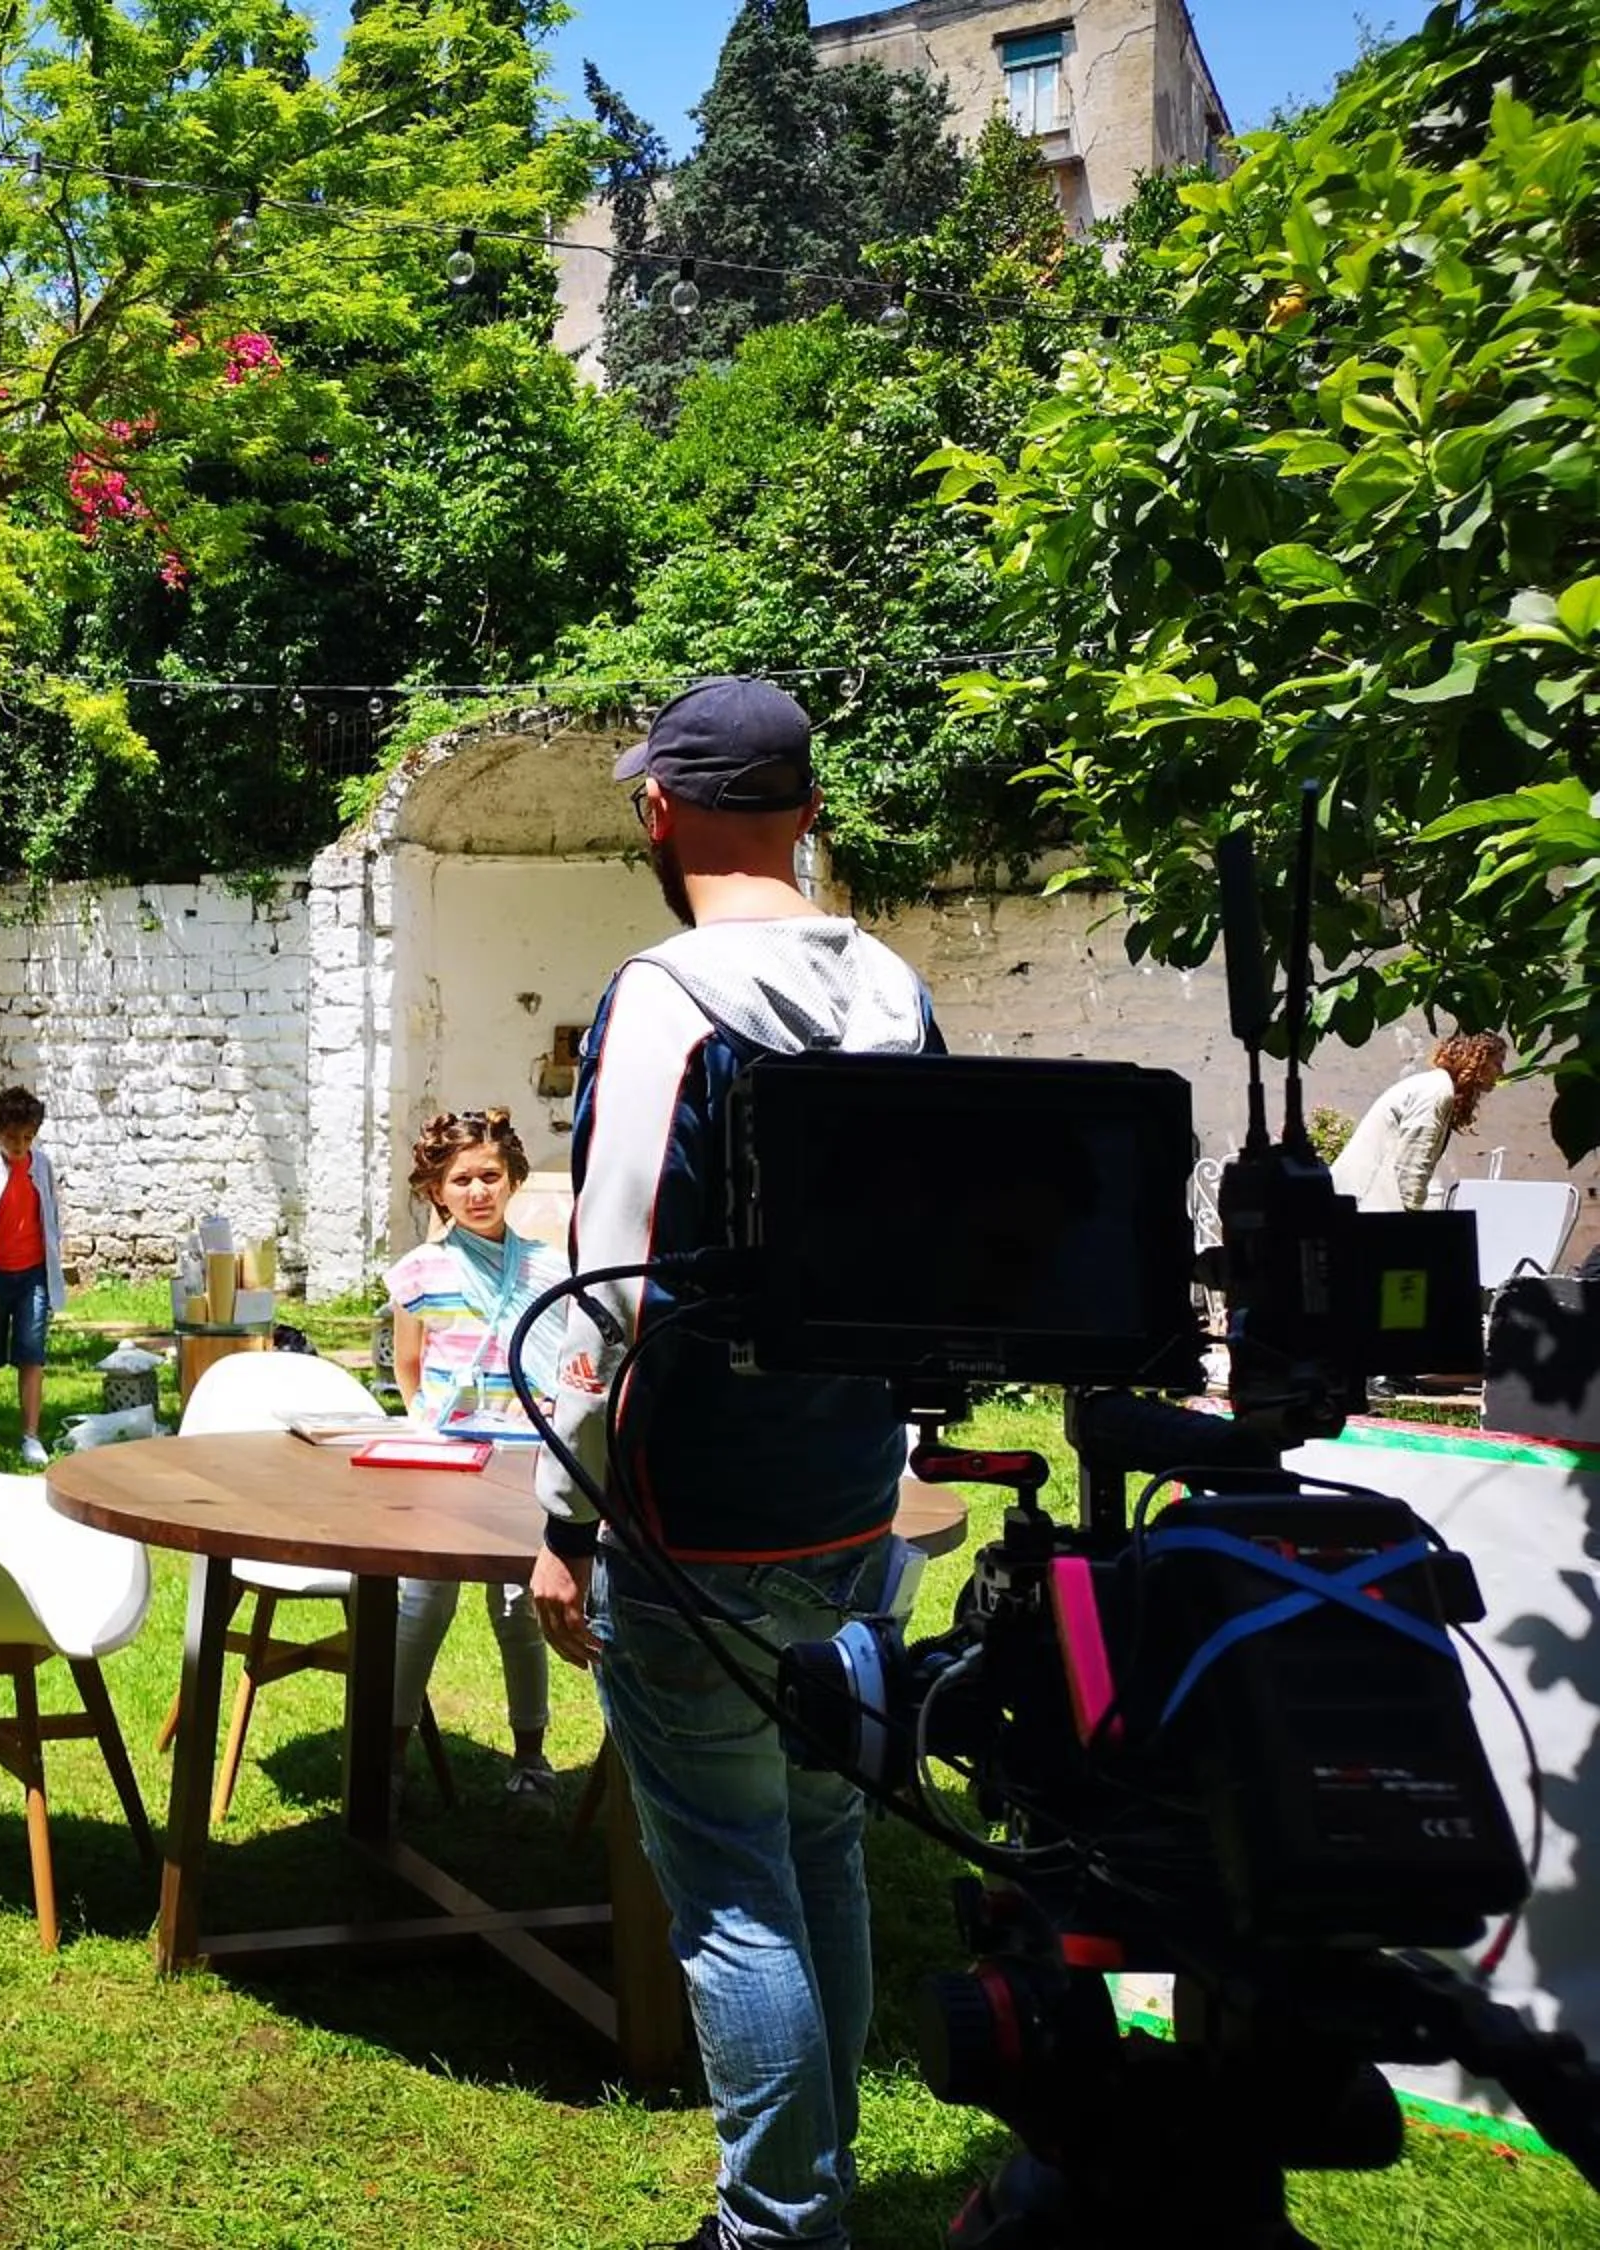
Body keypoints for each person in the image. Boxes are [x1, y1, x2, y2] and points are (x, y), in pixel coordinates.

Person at [526, 678, 941, 2250]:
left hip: (692, 1516)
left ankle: (777, 2223)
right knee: (824, 1839)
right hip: (852, 1498)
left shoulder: (667, 993)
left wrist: (563, 1516)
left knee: (733, 1888)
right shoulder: (897, 988)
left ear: (659, 811)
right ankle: (812, 2193)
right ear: (809, 808)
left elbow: (608, 1288)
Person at [384, 1105, 564, 1803]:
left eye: (490, 1175)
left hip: (527, 1465)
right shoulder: (420, 1272)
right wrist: (431, 1425)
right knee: (420, 1607)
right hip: (449, 1464)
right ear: (437, 1190)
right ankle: (389, 1756)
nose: (478, 1191)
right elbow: (409, 1362)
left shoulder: (550, 1267)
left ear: (514, 1178)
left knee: (521, 1610)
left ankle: (531, 1756)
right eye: (461, 1179)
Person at [0, 1086, 66, 1467]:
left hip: (33, 1275)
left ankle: (31, 1434)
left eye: (27, 1137)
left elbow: (50, 1218)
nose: (20, 1145)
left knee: (31, 1353)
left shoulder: (43, 1166)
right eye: (11, 1137)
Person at [1334, 1031, 1509, 1213]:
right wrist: (1417, 1222)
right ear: (1476, 1059)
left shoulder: (1437, 1086)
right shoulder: (1437, 1090)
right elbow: (1412, 1165)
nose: (1501, 1072)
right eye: (1497, 1063)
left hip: (1366, 1206)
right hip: (1365, 1206)